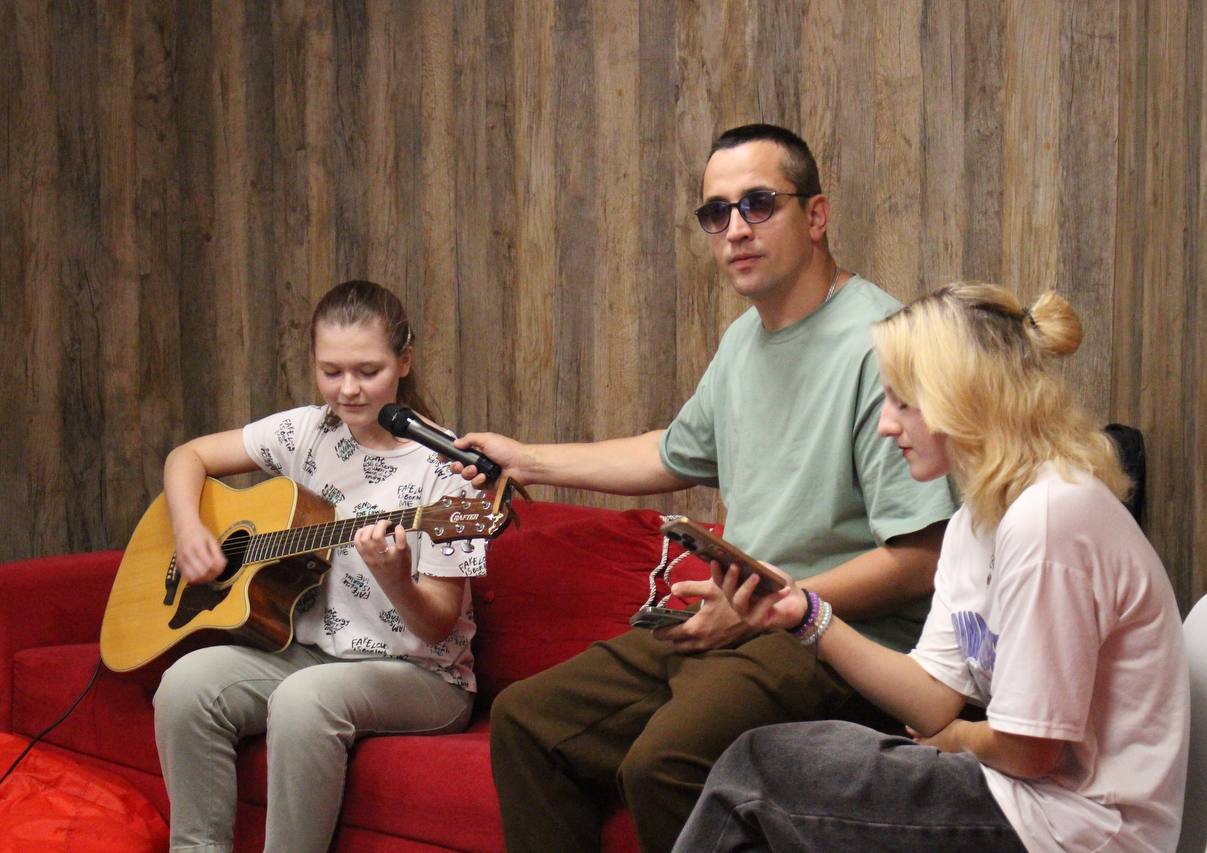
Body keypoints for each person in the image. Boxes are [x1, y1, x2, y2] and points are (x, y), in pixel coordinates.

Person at [451, 124, 958, 852]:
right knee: (528, 718)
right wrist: (525, 461)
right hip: (743, 618)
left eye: (759, 203)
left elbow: (921, 559)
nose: (736, 228)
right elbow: (672, 452)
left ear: (816, 215)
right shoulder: (743, 340)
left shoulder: (879, 344)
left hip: (840, 640)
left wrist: (768, 609)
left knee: (665, 762)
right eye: (717, 212)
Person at [674, 283, 1189, 852]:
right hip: (1019, 798)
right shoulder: (977, 520)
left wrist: (954, 738)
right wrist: (805, 614)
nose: (885, 425)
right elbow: (932, 697)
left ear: (963, 398)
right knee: (774, 761)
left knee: (757, 771)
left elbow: (1028, 751)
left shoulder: (1050, 519)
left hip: (1079, 828)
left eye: (904, 403)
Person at [152, 280, 485, 853]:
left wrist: (393, 579)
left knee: (305, 700)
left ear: (404, 362)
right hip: (306, 653)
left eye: (368, 371)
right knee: (186, 686)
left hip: (422, 674)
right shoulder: (307, 430)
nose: (348, 389)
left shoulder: (448, 471)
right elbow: (189, 456)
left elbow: (435, 628)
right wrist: (188, 530)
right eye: (331, 371)